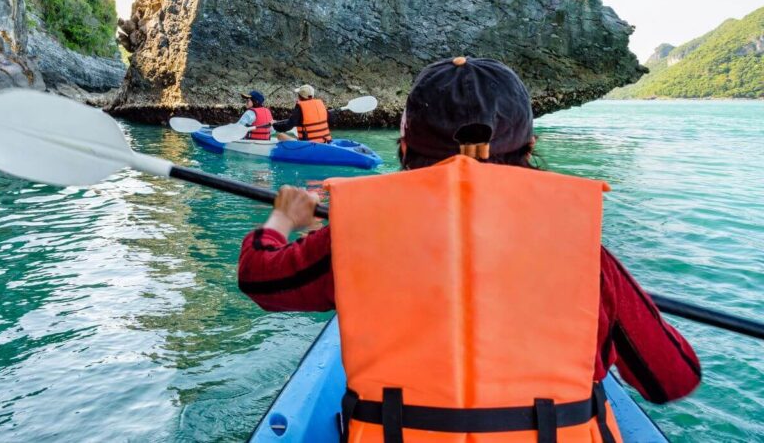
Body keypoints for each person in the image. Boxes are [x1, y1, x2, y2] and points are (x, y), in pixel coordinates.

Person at [238, 57, 700, 443]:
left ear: (404, 147)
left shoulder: (356, 235)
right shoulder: (585, 255)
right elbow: (672, 378)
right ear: (529, 146)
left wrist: (284, 218)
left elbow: (260, 277)